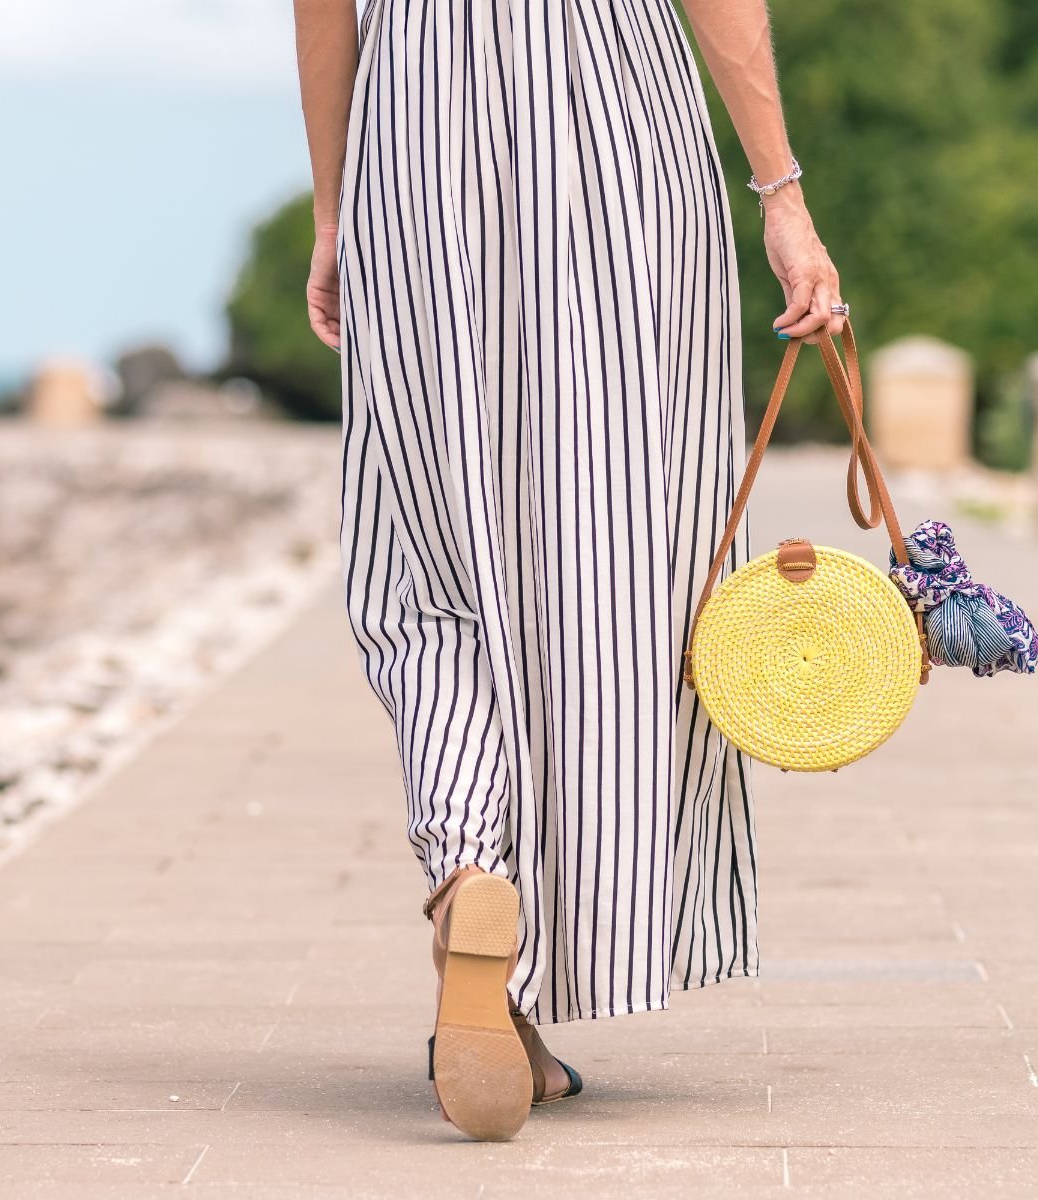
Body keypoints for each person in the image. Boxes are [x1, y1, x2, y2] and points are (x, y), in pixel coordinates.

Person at [293, 0, 846, 1141]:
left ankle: (468, 874)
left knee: (433, 552)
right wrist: (780, 196)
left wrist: (336, 203)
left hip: (418, 138)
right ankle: (555, 943)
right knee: (619, 553)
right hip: (621, 131)